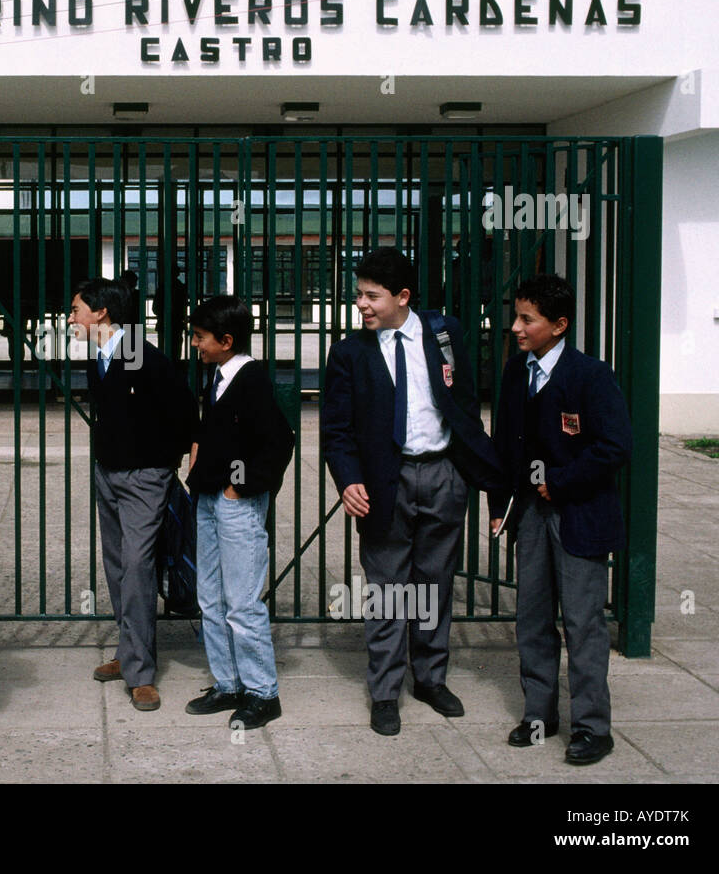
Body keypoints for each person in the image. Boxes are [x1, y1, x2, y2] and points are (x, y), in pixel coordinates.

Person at [321, 248, 501, 736]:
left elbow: (463, 404)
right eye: (358, 294)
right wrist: (348, 478)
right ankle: (384, 691)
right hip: (385, 483)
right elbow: (337, 430)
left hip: (443, 475)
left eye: (371, 296)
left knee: (434, 584)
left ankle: (431, 679)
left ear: (402, 297)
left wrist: (480, 476)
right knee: (386, 591)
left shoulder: (445, 334)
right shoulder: (349, 353)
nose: (361, 304)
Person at [488, 274, 631, 766]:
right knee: (531, 618)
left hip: (579, 517)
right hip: (529, 515)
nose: (516, 327)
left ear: (559, 324)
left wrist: (562, 480)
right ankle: (539, 714)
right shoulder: (515, 372)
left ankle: (593, 727)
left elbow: (615, 445)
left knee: (582, 623)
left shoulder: (590, 375)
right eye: (517, 316)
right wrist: (498, 504)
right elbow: (506, 442)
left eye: (528, 319)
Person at [71, 278, 198, 711]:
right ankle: (129, 652)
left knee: (138, 566)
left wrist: (164, 464)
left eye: (76, 310)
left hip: (144, 477)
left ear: (102, 313)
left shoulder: (147, 358)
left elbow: (184, 411)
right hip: (108, 473)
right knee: (117, 567)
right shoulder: (99, 358)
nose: (70, 319)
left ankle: (141, 674)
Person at [184, 295, 295, 730]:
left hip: (235, 504)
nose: (196, 345)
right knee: (210, 597)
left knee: (242, 602)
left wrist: (237, 487)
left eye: (200, 338)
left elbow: (279, 443)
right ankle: (228, 682)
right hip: (211, 500)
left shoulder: (251, 380)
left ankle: (263, 692)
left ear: (227, 340)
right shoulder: (218, 376)